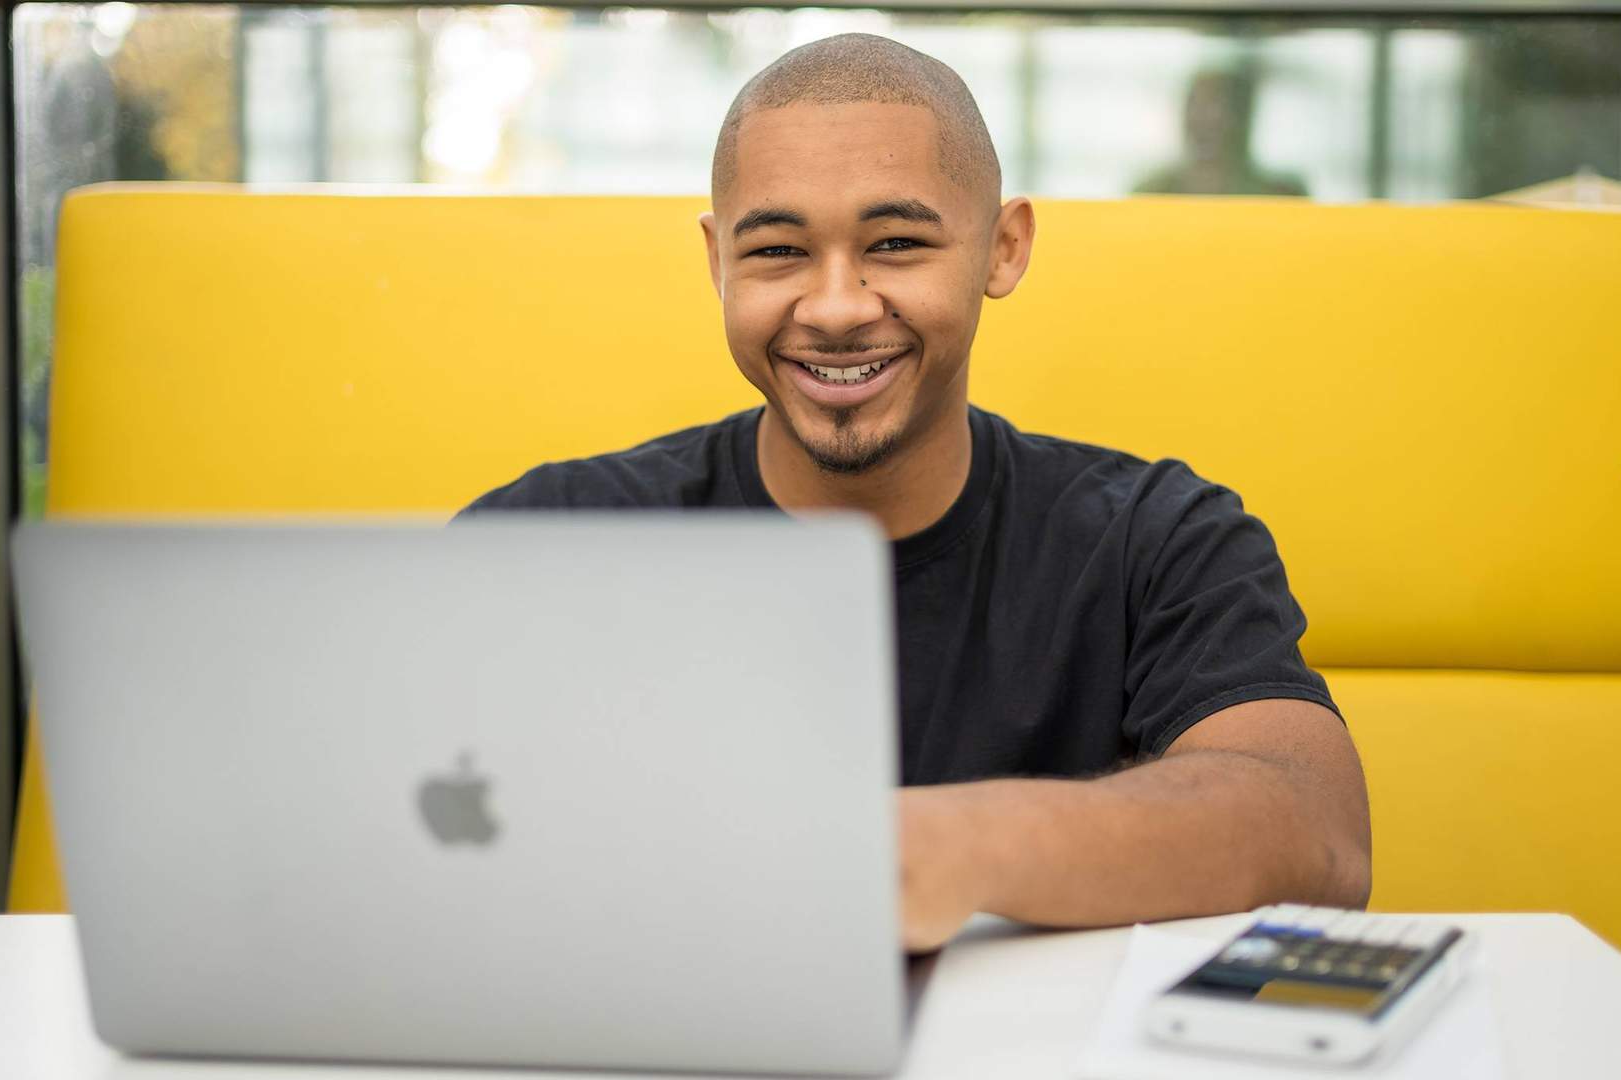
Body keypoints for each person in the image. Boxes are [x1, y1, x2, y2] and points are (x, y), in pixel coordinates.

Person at [462, 33, 1370, 952]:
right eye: (777, 250)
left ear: (1002, 249)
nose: (836, 307)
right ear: (717, 263)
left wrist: (936, 848)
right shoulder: (550, 534)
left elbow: (1317, 833)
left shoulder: (1160, 537)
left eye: (895, 243)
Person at [1133, 66, 1309, 198]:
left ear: (1240, 116)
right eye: (1194, 104)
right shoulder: (1151, 193)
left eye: (1214, 106)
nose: (1201, 119)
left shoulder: (1280, 196)